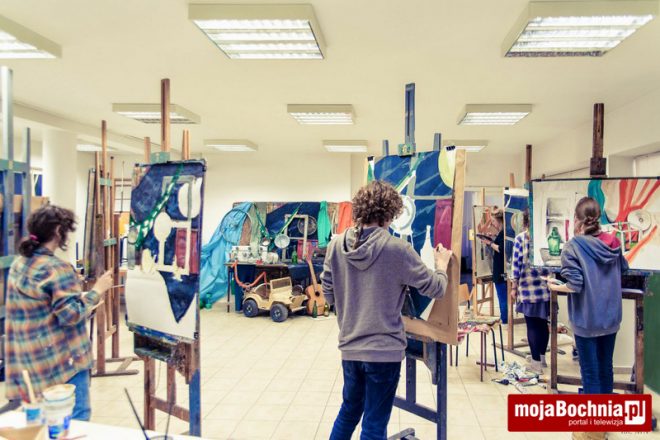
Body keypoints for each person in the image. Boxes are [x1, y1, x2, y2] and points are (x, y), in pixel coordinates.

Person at [321, 181, 452, 440]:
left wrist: (353, 303)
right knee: (374, 425)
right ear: (391, 213)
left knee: (348, 413)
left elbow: (328, 293)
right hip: (383, 353)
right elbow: (436, 288)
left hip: (350, 348)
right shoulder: (397, 249)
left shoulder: (336, 245)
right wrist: (441, 265)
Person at [5, 205, 113, 421]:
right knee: (73, 422)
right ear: (57, 231)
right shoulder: (57, 268)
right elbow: (71, 315)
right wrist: (97, 291)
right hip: (62, 363)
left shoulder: (20, 263)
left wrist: (76, 293)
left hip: (30, 361)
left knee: (42, 422)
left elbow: (41, 305)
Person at [547, 197, 628, 395]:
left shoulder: (573, 247)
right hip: (610, 317)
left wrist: (555, 287)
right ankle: (605, 413)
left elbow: (575, 285)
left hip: (587, 320)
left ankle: (593, 415)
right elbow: (624, 269)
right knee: (605, 368)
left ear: (576, 219)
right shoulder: (614, 242)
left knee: (590, 372)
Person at [510, 209, 550, 373]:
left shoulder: (521, 238)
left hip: (527, 289)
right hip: (546, 289)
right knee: (543, 325)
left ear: (525, 221)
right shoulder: (546, 237)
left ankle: (535, 364)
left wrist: (514, 287)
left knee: (532, 326)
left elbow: (516, 264)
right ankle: (542, 359)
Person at [483, 207, 507, 324]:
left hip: (501, 271)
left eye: (493, 221)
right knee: (502, 296)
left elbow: (501, 249)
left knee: (502, 297)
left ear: (499, 220)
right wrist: (492, 239)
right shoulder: (502, 233)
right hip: (500, 270)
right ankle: (505, 319)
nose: (492, 224)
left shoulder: (504, 233)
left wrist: (490, 243)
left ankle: (505, 320)